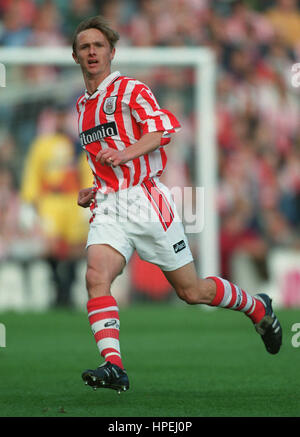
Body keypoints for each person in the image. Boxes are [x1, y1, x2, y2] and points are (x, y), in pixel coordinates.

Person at [72, 16, 282, 394]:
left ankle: (258, 307)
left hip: (146, 199)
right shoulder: (82, 107)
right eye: (85, 46)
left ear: (111, 53)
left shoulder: (131, 89)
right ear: (75, 56)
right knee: (95, 277)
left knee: (191, 291)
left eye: (98, 46)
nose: (91, 51)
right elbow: (103, 160)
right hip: (108, 205)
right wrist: (93, 187)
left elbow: (162, 130)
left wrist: (126, 154)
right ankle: (114, 366)